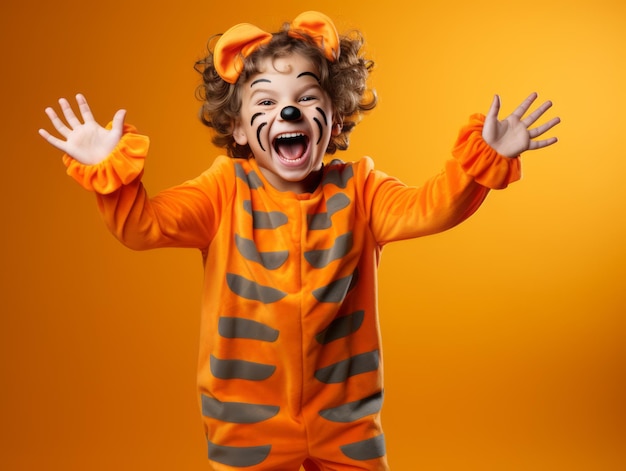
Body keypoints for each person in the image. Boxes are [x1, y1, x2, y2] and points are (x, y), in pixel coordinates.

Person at [38, 11, 559, 471]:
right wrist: (112, 173)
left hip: (347, 418)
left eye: (307, 98)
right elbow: (143, 227)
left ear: (333, 120)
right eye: (267, 102)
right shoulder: (223, 190)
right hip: (246, 421)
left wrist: (481, 162)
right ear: (239, 129)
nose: (289, 112)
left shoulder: (361, 188)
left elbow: (430, 207)